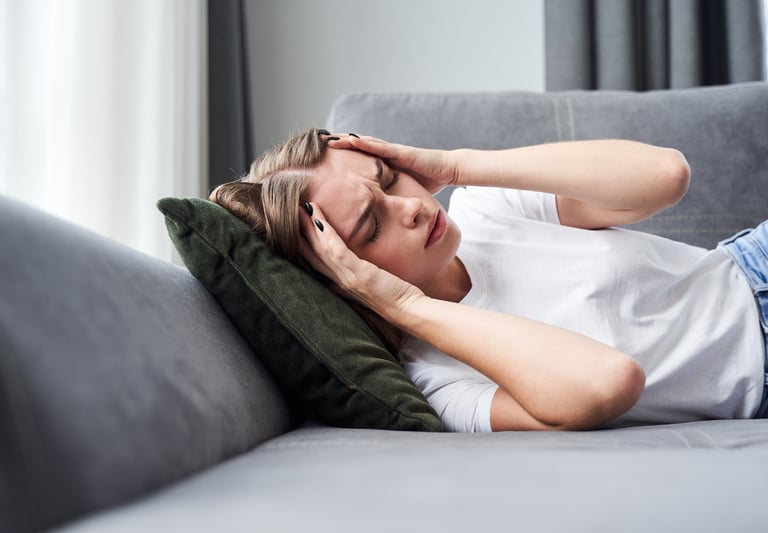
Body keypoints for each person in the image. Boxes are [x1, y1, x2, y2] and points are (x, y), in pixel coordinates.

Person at [210, 128, 768, 432]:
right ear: (341, 276)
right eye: (371, 225)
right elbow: (608, 382)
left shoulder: (490, 207)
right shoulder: (438, 382)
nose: (410, 208)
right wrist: (402, 304)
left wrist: (454, 166)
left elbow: (666, 176)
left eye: (389, 179)